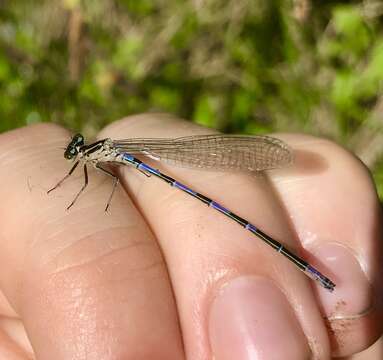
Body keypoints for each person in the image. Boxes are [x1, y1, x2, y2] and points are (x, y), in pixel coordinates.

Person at [0, 113, 381, 359]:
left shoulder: (101, 155)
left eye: (76, 151)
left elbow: (95, 183)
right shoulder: (95, 158)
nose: (75, 155)